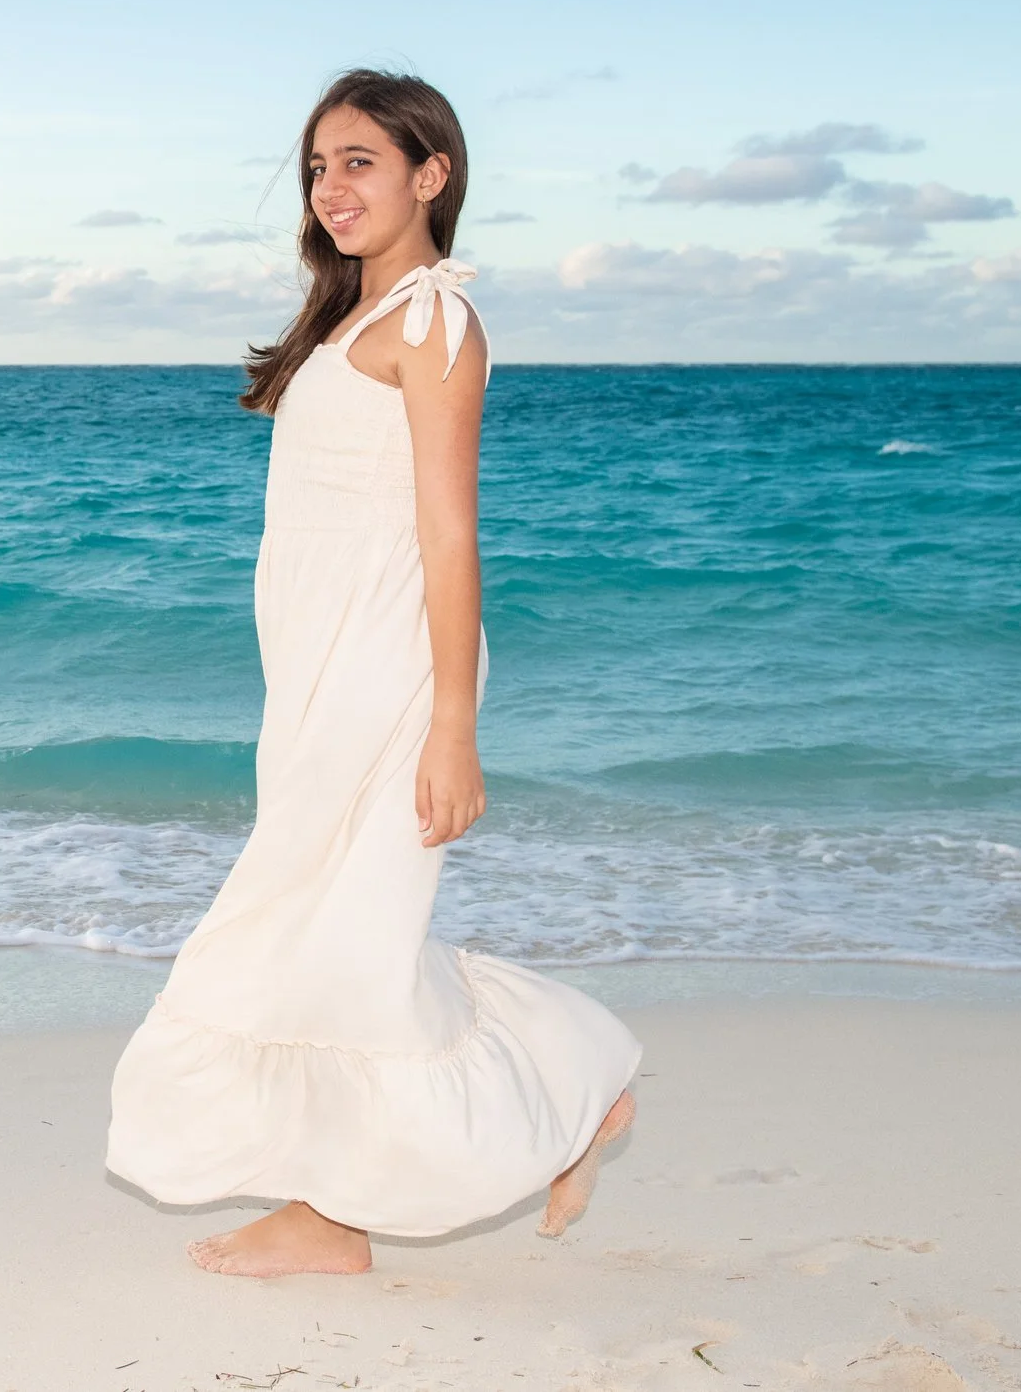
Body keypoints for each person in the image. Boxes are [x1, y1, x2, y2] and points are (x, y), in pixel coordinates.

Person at [105, 68, 641, 1278]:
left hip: (386, 673)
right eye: (317, 166)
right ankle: (543, 1099)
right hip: (317, 670)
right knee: (341, 929)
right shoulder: (350, 323)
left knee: (313, 926)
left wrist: (450, 725)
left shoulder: (434, 323)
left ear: (429, 173)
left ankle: (343, 1206)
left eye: (359, 161)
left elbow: (448, 534)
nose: (331, 187)